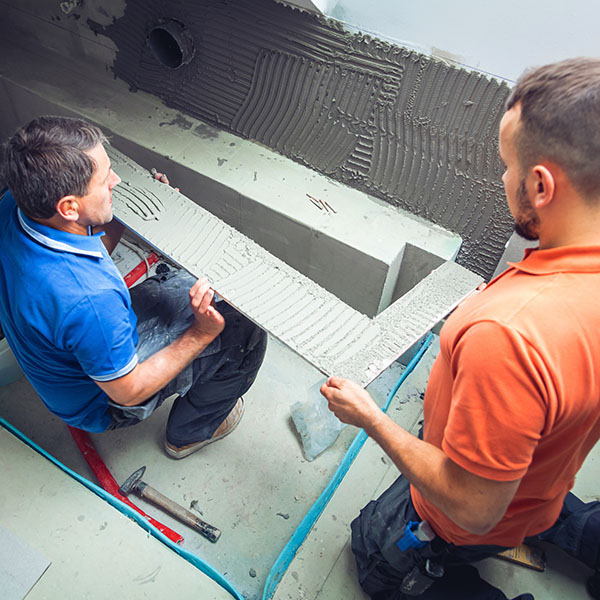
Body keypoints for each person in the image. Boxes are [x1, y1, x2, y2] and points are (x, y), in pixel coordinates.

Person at [321, 58, 600, 599]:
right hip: (540, 483)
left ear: (541, 185)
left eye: (506, 165)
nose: (502, 178)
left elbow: (474, 508)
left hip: (472, 518)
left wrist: (371, 418)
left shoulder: (510, 334)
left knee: (373, 551)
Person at [0, 116, 266, 458]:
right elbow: (127, 391)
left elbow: (77, 261)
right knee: (243, 327)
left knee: (181, 291)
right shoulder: (91, 300)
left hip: (52, 360)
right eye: (104, 180)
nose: (117, 179)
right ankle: (189, 433)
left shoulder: (15, 204)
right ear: (68, 207)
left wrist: (120, 214)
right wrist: (201, 333)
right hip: (103, 402)